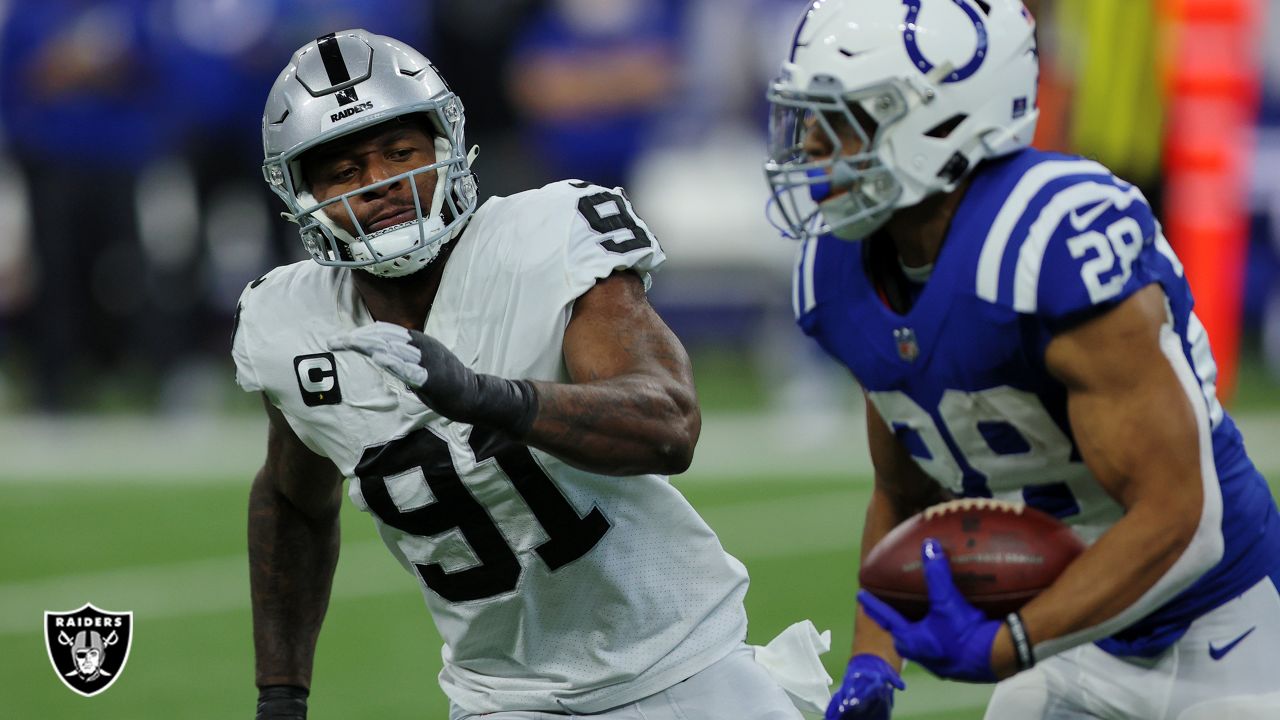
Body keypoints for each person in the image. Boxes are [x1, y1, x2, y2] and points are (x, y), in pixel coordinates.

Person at [235, 29, 814, 720]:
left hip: (682, 667)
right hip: (500, 699)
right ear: (300, 194)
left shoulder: (547, 239)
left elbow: (669, 424)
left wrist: (489, 398)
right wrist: (280, 695)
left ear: (446, 147)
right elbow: (294, 501)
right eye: (344, 170)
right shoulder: (290, 323)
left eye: (399, 153)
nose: (380, 185)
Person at [762, 1, 1280, 718]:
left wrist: (1010, 643)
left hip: (1219, 624)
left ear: (942, 122)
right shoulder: (840, 268)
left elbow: (1183, 517)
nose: (813, 148)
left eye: (844, 119)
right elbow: (905, 490)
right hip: (1073, 632)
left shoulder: (1051, 245)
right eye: (809, 120)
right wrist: (872, 660)